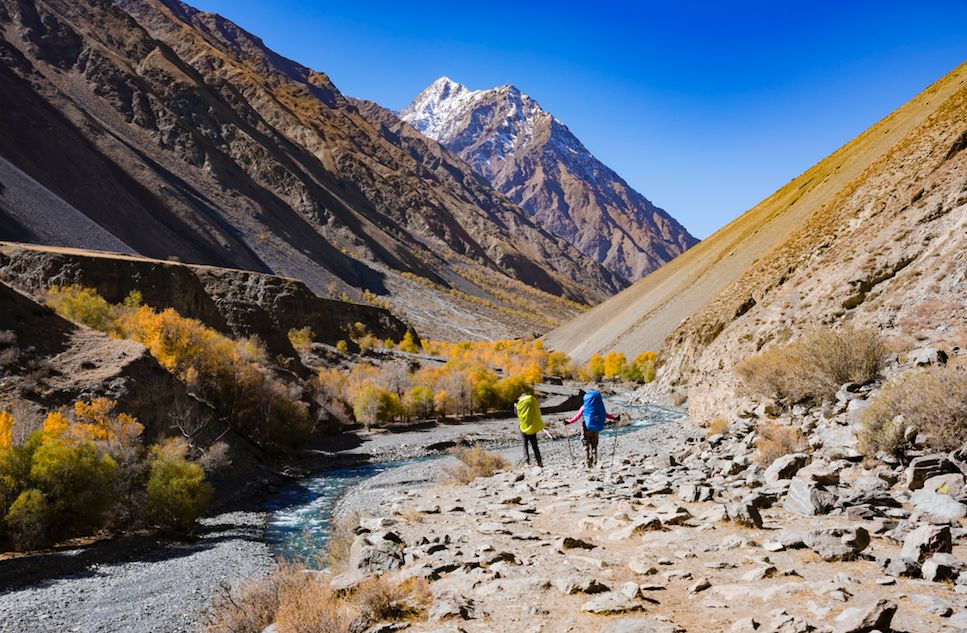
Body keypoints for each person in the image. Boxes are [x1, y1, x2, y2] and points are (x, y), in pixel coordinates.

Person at [565, 389, 619, 468]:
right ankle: (595, 462)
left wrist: (568, 422)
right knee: (594, 446)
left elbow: (576, 417)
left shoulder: (584, 407)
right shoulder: (599, 408)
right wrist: (615, 418)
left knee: (586, 446)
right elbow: (606, 415)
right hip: (596, 429)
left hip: (586, 428)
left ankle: (587, 463)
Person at [515, 392, 544, 468]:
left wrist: (515, 406)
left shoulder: (520, 405)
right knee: (535, 445)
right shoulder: (531, 404)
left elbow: (517, 414)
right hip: (532, 427)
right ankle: (539, 462)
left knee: (525, 445)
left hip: (523, 428)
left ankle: (527, 462)